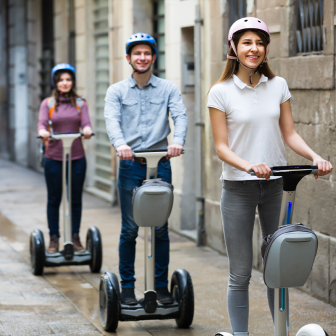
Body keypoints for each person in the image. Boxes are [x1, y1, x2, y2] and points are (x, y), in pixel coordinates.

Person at [207, 18, 333, 336]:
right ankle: (241, 334)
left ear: (266, 50)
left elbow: (289, 134)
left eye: (260, 43)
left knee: (278, 265)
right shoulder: (220, 92)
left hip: (275, 184)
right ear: (233, 48)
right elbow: (221, 148)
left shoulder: (277, 86)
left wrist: (314, 157)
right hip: (238, 188)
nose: (254, 49)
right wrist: (249, 166)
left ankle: (281, 331)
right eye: (247, 42)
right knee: (240, 272)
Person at [104, 33, 188, 305]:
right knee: (130, 230)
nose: (142, 58)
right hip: (131, 165)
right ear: (129, 58)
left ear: (153, 57)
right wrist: (120, 145)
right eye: (136, 53)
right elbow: (112, 120)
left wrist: (177, 142)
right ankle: (127, 289)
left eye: (147, 53)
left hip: (161, 165)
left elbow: (180, 115)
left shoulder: (168, 88)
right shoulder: (116, 91)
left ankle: (161, 288)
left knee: (160, 229)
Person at [37, 63, 93, 254]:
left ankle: (75, 237)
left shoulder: (80, 103)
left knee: (75, 199)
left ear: (73, 82)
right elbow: (42, 124)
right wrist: (43, 132)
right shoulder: (48, 104)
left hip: (76, 157)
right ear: (55, 82)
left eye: (68, 79)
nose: (64, 83)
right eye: (61, 80)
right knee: (54, 199)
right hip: (53, 158)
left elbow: (86, 124)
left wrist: (86, 130)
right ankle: (54, 238)